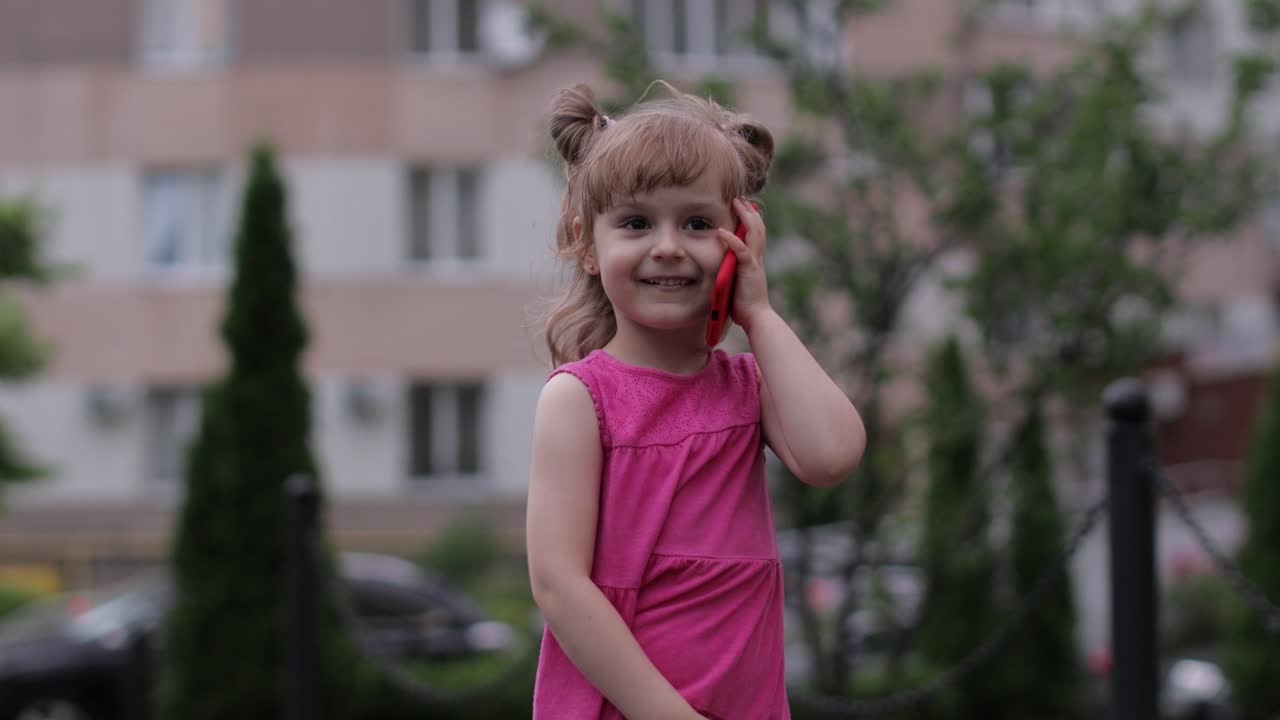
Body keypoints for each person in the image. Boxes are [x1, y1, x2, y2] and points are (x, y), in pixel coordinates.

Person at [525, 82, 866, 720]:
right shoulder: (580, 398)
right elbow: (560, 586)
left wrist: (758, 313)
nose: (668, 246)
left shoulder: (747, 384)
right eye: (635, 222)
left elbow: (832, 454)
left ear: (741, 239)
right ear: (585, 244)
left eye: (698, 223)